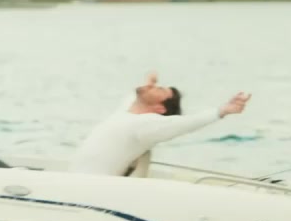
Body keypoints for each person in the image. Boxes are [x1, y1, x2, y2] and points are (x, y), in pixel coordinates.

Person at [67, 71, 251, 176]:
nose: (153, 86)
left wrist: (223, 110)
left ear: (160, 108)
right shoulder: (125, 113)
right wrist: (149, 84)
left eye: (160, 89)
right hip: (77, 183)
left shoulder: (146, 124)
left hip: (90, 190)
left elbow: (187, 123)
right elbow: (133, 95)